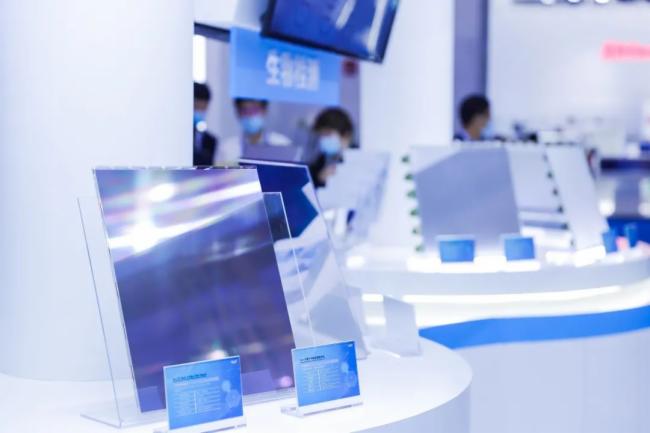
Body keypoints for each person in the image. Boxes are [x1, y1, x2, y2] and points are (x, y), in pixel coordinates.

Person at [214, 98, 291, 164]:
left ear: (265, 110)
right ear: (238, 113)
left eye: (254, 110)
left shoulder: (282, 144)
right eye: (245, 111)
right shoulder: (226, 149)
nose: (250, 115)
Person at [308, 107, 354, 188]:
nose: (323, 139)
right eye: (321, 135)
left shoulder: (359, 163)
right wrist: (320, 180)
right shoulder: (318, 164)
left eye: (328, 134)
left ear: (345, 135)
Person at [193, 82, 218, 166]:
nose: (199, 111)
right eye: (196, 107)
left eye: (203, 108)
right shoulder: (179, 138)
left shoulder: (211, 141)